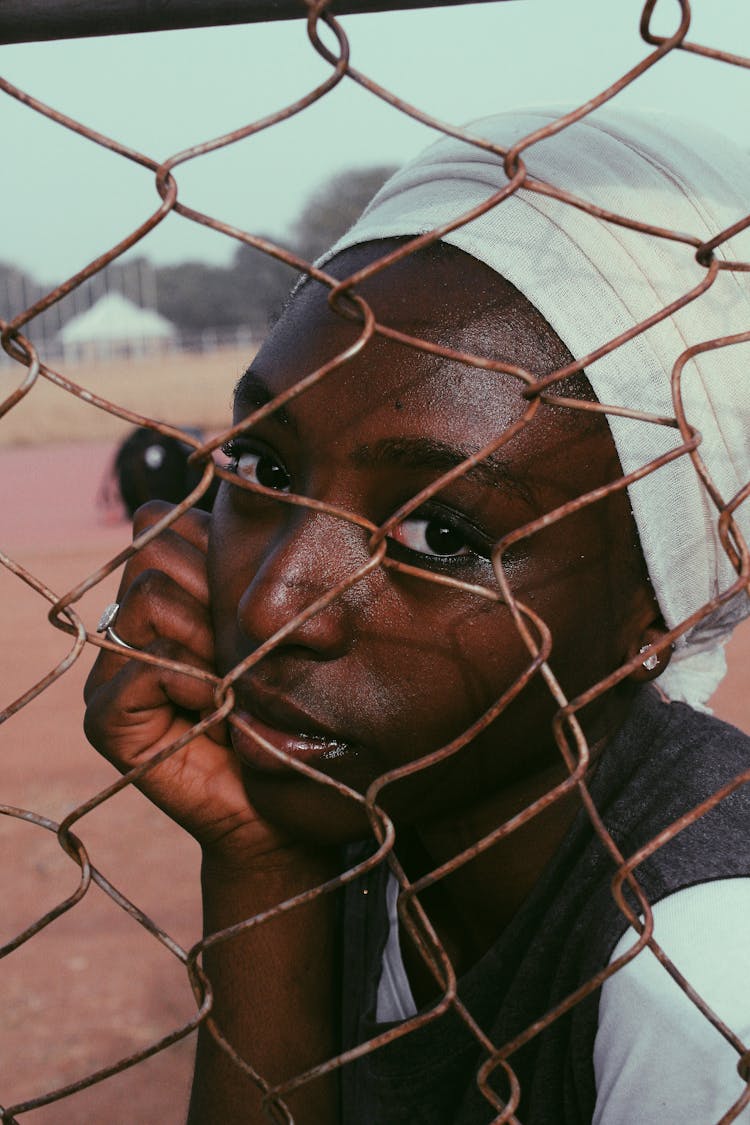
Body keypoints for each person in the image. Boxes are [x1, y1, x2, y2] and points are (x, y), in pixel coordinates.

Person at [83, 106, 750, 1124]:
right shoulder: (385, 810)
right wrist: (265, 865)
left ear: (659, 614)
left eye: (440, 536)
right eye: (262, 466)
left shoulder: (704, 975)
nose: (272, 606)